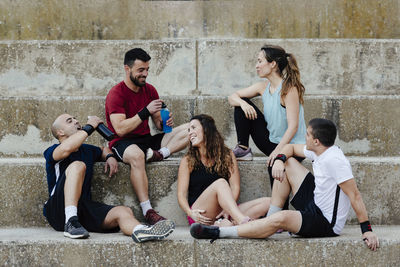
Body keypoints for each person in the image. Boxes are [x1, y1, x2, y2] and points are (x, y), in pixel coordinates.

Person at [190, 118, 379, 251]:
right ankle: (269, 220)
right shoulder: (319, 150)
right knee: (287, 162)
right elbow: (290, 149)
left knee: (282, 218)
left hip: (325, 222)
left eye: (307, 135)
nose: (304, 137)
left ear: (316, 141)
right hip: (315, 202)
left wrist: (367, 230)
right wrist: (280, 159)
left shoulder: (335, 160)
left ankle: (220, 231)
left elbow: (355, 195)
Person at [43, 114, 175, 242]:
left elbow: (102, 149)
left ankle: (141, 231)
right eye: (69, 121)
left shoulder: (86, 150)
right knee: (78, 166)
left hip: (83, 210)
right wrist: (89, 127)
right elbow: (66, 148)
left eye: (75, 119)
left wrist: (109, 157)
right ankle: (70, 222)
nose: (76, 121)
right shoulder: (53, 151)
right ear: (60, 132)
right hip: (58, 209)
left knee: (123, 211)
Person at [105, 48, 189, 225]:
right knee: (137, 155)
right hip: (123, 142)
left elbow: (158, 124)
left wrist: (164, 122)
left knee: (193, 129)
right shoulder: (116, 93)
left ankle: (162, 153)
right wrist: (145, 112)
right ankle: (148, 210)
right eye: (141, 70)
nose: (145, 74)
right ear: (127, 69)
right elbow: (120, 129)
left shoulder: (150, 90)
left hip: (147, 140)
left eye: (147, 69)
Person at [228, 45, 306, 203]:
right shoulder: (262, 87)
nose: (256, 65)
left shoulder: (289, 89)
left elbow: (293, 127)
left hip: (292, 146)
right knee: (241, 104)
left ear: (273, 64)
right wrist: (244, 104)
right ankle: (243, 148)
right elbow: (232, 97)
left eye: (259, 61)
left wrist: (278, 152)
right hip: (271, 141)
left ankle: (279, 212)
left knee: (274, 164)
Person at [177, 114, 270, 227]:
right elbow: (181, 195)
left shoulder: (227, 155)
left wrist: (228, 210)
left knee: (268, 203)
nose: (190, 132)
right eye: (188, 130)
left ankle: (223, 225)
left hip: (226, 212)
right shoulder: (187, 160)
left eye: (193, 128)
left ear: (206, 129)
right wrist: (190, 213)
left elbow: (235, 187)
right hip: (202, 213)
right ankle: (241, 222)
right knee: (220, 183)